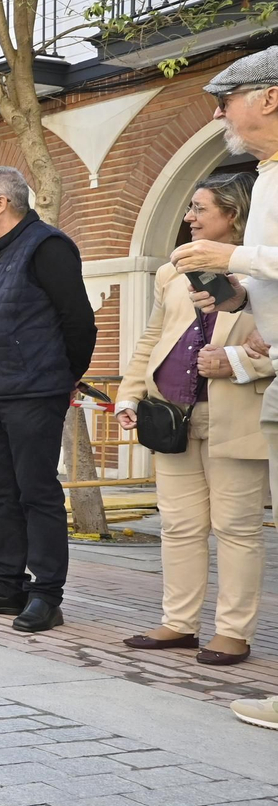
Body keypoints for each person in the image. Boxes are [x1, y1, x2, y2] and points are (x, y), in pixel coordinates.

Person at [165, 47, 278, 727]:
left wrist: (228, 257)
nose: (217, 113)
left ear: (268, 97)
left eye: (225, 97)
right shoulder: (266, 178)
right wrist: (239, 291)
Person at [118, 173, 266, 666]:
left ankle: (233, 632)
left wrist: (240, 362)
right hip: (173, 415)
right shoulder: (171, 272)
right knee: (179, 525)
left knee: (235, 528)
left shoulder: (265, 275)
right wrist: (129, 395)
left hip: (239, 415)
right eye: (189, 209)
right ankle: (179, 624)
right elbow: (151, 338)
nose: (189, 217)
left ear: (233, 216)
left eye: (200, 209)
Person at [0, 166, 96, 633]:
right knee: (4, 492)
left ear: (1, 203)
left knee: (37, 492)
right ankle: (7, 585)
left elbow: (78, 321)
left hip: (35, 391)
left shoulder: (46, 246)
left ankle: (46, 595)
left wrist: (62, 376)